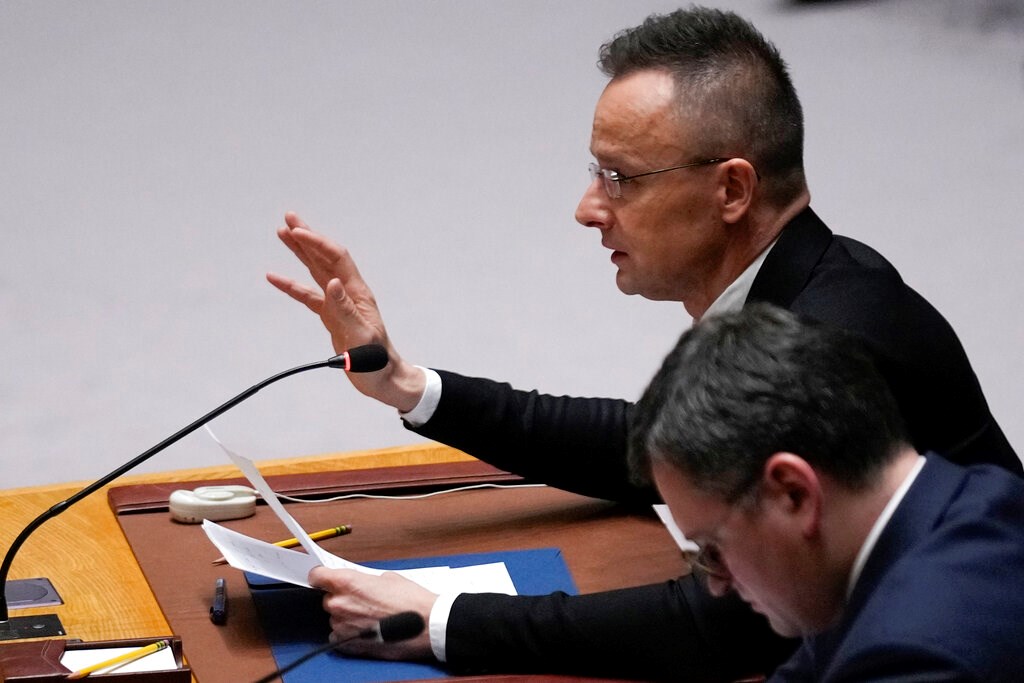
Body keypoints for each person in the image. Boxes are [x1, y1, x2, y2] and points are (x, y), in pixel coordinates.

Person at [270, 6, 1020, 681]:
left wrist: (438, 619)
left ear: (732, 190)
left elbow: (721, 629)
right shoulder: (806, 277)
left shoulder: (840, 334)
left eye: (621, 177)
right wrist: (406, 384)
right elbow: (654, 448)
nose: (588, 208)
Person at [628, 303, 1024, 681]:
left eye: (713, 549)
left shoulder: (915, 654)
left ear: (793, 493)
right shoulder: (972, 497)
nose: (717, 584)